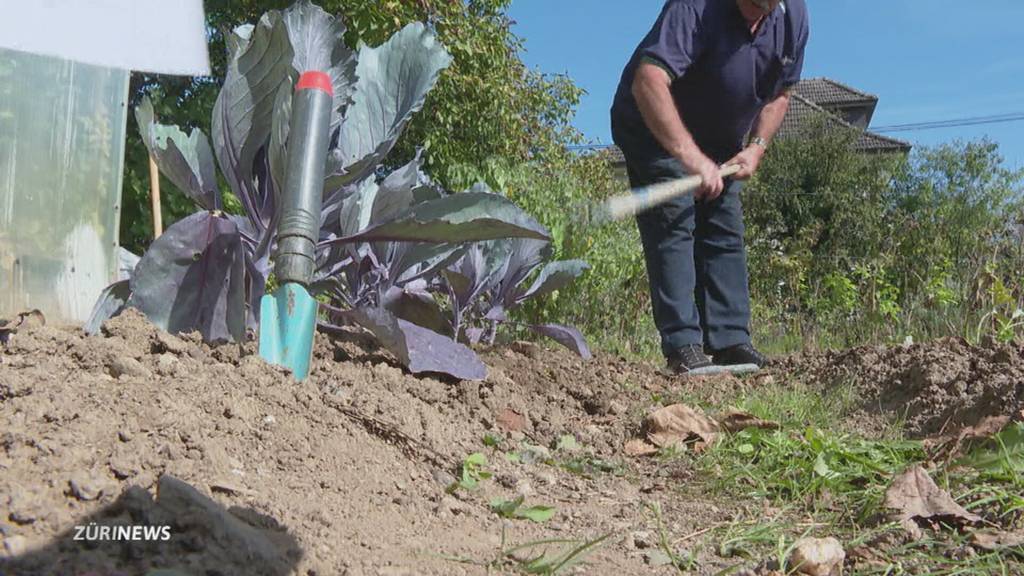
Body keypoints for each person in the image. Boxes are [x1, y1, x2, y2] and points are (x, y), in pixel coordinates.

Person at [610, 0, 809, 374]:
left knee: (723, 222)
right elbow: (648, 78)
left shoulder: (792, 16)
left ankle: (731, 341)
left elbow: (780, 93)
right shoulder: (695, 8)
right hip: (654, 124)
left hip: (719, 138)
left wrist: (756, 147)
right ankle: (683, 345)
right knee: (675, 217)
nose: (761, 11)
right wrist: (692, 158)